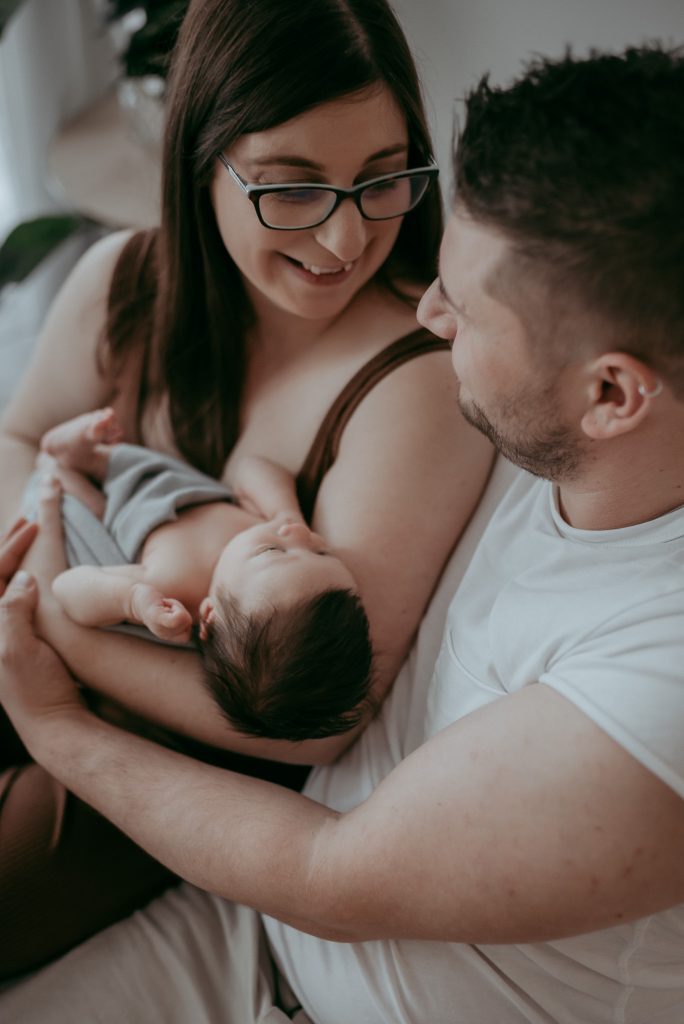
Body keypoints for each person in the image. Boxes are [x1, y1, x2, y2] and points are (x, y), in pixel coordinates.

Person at [1, 40, 684, 1023]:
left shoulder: (656, 679)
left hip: (318, 928)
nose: (427, 310)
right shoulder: (554, 437)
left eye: (467, 306)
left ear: (611, 392)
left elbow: (329, 873)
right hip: (248, 925)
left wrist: (54, 720)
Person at [0, 0, 492, 979]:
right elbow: (16, 436)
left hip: (165, 756)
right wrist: (41, 588)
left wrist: (64, 651)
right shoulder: (124, 279)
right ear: (203, 160)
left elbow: (324, 714)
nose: (347, 239)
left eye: (381, 179)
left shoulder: (416, 387)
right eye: (292, 190)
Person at [36, 407, 373, 741]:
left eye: (274, 551)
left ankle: (63, 458)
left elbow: (67, 588)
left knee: (66, 486)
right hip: (158, 474)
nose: (297, 534)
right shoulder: (267, 528)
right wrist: (286, 508)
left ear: (210, 615)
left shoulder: (170, 591)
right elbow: (251, 468)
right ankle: (80, 455)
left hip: (115, 503)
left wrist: (131, 600)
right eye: (321, 551)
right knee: (103, 458)